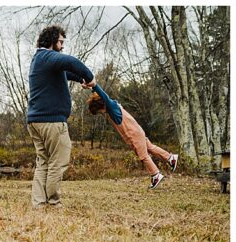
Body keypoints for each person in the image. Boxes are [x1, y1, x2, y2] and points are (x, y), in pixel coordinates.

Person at [26, 25, 95, 206]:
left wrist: (81, 79)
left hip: (35, 121)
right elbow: (72, 62)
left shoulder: (39, 59)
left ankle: (39, 203)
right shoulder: (47, 56)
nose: (62, 46)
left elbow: (65, 72)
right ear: (52, 40)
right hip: (52, 121)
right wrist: (90, 77)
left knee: (44, 162)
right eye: (61, 42)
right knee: (58, 161)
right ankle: (53, 202)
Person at [88, 86, 178, 190]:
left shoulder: (111, 107)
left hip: (134, 134)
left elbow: (103, 95)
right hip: (137, 131)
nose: (101, 113)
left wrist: (94, 85)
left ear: (101, 106)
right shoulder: (113, 105)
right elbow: (101, 96)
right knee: (151, 148)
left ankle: (155, 174)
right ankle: (171, 158)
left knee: (143, 156)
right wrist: (92, 88)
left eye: (99, 111)